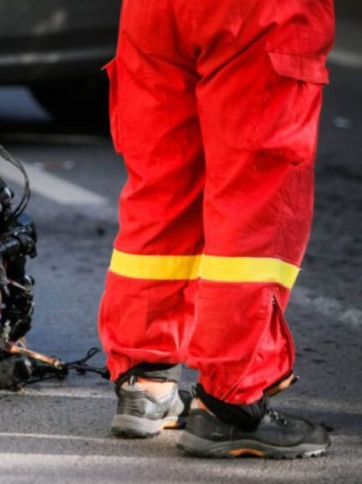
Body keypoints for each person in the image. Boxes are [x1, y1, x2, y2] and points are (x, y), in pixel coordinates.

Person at [97, 0, 335, 458]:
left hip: (155, 12)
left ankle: (146, 381)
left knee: (163, 188)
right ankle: (231, 402)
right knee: (254, 197)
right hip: (258, 13)